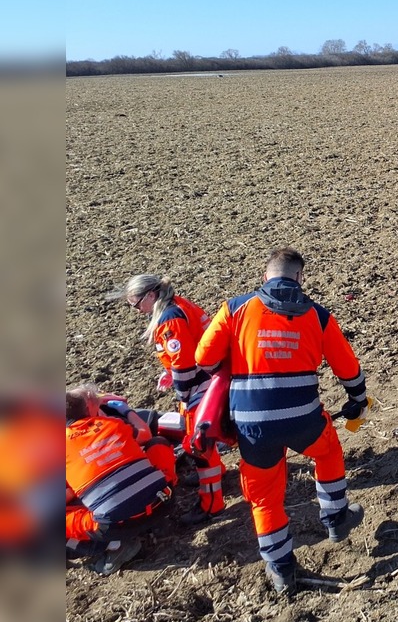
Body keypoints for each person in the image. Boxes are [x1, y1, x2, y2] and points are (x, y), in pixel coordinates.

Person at [195, 247, 369, 594]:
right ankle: (336, 516)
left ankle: (281, 568)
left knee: (264, 498)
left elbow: (203, 357)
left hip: (252, 425)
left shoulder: (234, 309)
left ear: (266, 276)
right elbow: (346, 367)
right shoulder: (318, 316)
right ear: (299, 278)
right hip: (304, 418)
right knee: (328, 449)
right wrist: (358, 398)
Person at [111, 274, 225, 524]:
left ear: (150, 296)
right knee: (203, 439)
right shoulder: (179, 305)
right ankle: (219, 474)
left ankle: (212, 504)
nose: (136, 310)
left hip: (199, 387)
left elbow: (183, 364)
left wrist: (183, 395)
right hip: (209, 380)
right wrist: (169, 373)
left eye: (136, 303)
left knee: (199, 446)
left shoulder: (169, 319)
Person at [65, 384, 177, 575]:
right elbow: (144, 434)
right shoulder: (113, 424)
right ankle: (155, 521)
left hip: (116, 524)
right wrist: (125, 410)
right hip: (163, 503)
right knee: (158, 444)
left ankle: (113, 546)